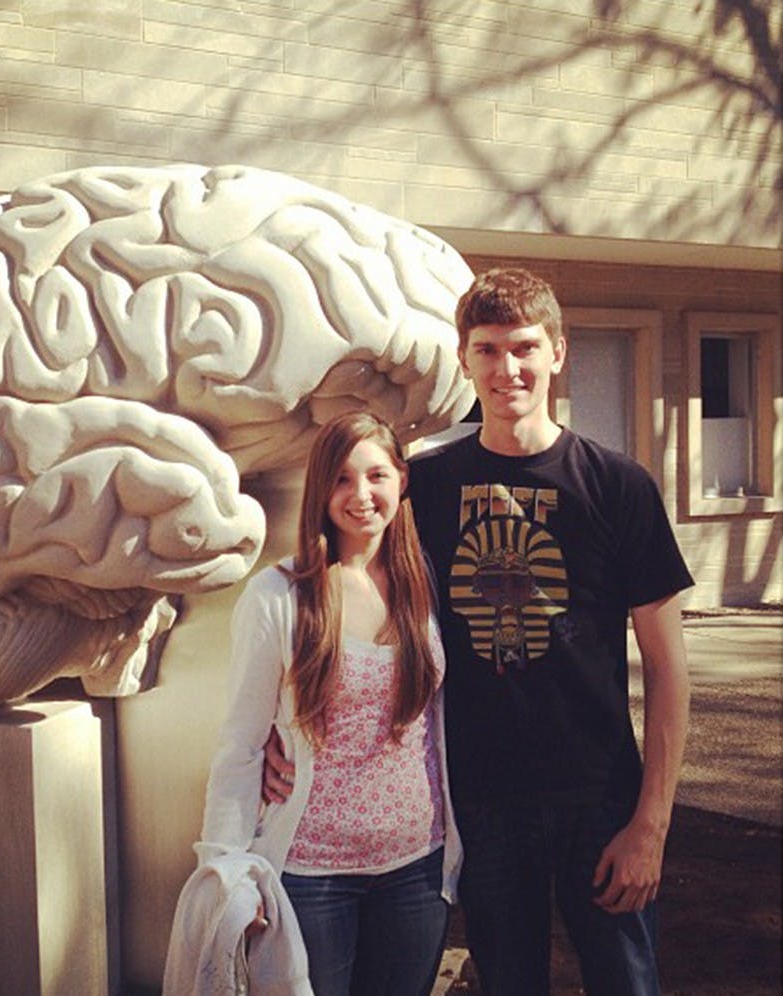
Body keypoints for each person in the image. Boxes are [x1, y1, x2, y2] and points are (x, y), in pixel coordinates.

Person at [265, 268, 692, 996]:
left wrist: (651, 823)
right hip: (481, 800)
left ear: (559, 352)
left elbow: (668, 667)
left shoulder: (619, 485)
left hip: (602, 797)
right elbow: (334, 595)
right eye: (487, 351)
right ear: (465, 361)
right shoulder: (422, 488)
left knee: (627, 980)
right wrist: (282, 730)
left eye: (524, 347)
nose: (507, 369)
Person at [188, 410, 464, 996]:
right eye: (341, 479)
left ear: (401, 482)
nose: (360, 495)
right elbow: (240, 745)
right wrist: (229, 871)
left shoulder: (426, 586)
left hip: (417, 869)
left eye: (376, 476)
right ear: (320, 488)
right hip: (313, 878)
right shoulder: (277, 598)